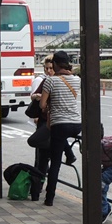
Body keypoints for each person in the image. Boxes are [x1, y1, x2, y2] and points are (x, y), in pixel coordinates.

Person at [38, 51, 82, 207]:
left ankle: (49, 198)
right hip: (77, 124)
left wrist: (49, 104)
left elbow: (42, 105)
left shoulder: (51, 81)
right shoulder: (77, 80)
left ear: (55, 64)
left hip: (59, 124)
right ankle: (70, 155)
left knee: (55, 162)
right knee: (61, 137)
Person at [26, 55, 55, 201]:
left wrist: (40, 98)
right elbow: (35, 97)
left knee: (46, 159)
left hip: (52, 124)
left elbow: (42, 103)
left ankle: (42, 192)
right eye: (47, 68)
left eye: (51, 68)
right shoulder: (44, 81)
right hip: (45, 123)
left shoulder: (57, 81)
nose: (49, 71)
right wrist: (38, 97)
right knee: (42, 158)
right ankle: (37, 190)